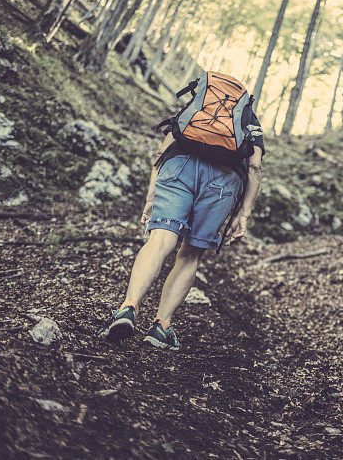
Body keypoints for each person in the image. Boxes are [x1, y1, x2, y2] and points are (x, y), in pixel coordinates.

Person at [98, 97, 265, 350]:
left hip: (179, 165)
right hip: (223, 179)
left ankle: (127, 308)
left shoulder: (198, 107)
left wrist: (151, 195)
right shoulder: (249, 121)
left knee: (161, 240)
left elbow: (162, 149)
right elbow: (254, 167)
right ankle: (161, 326)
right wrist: (243, 213)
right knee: (191, 254)